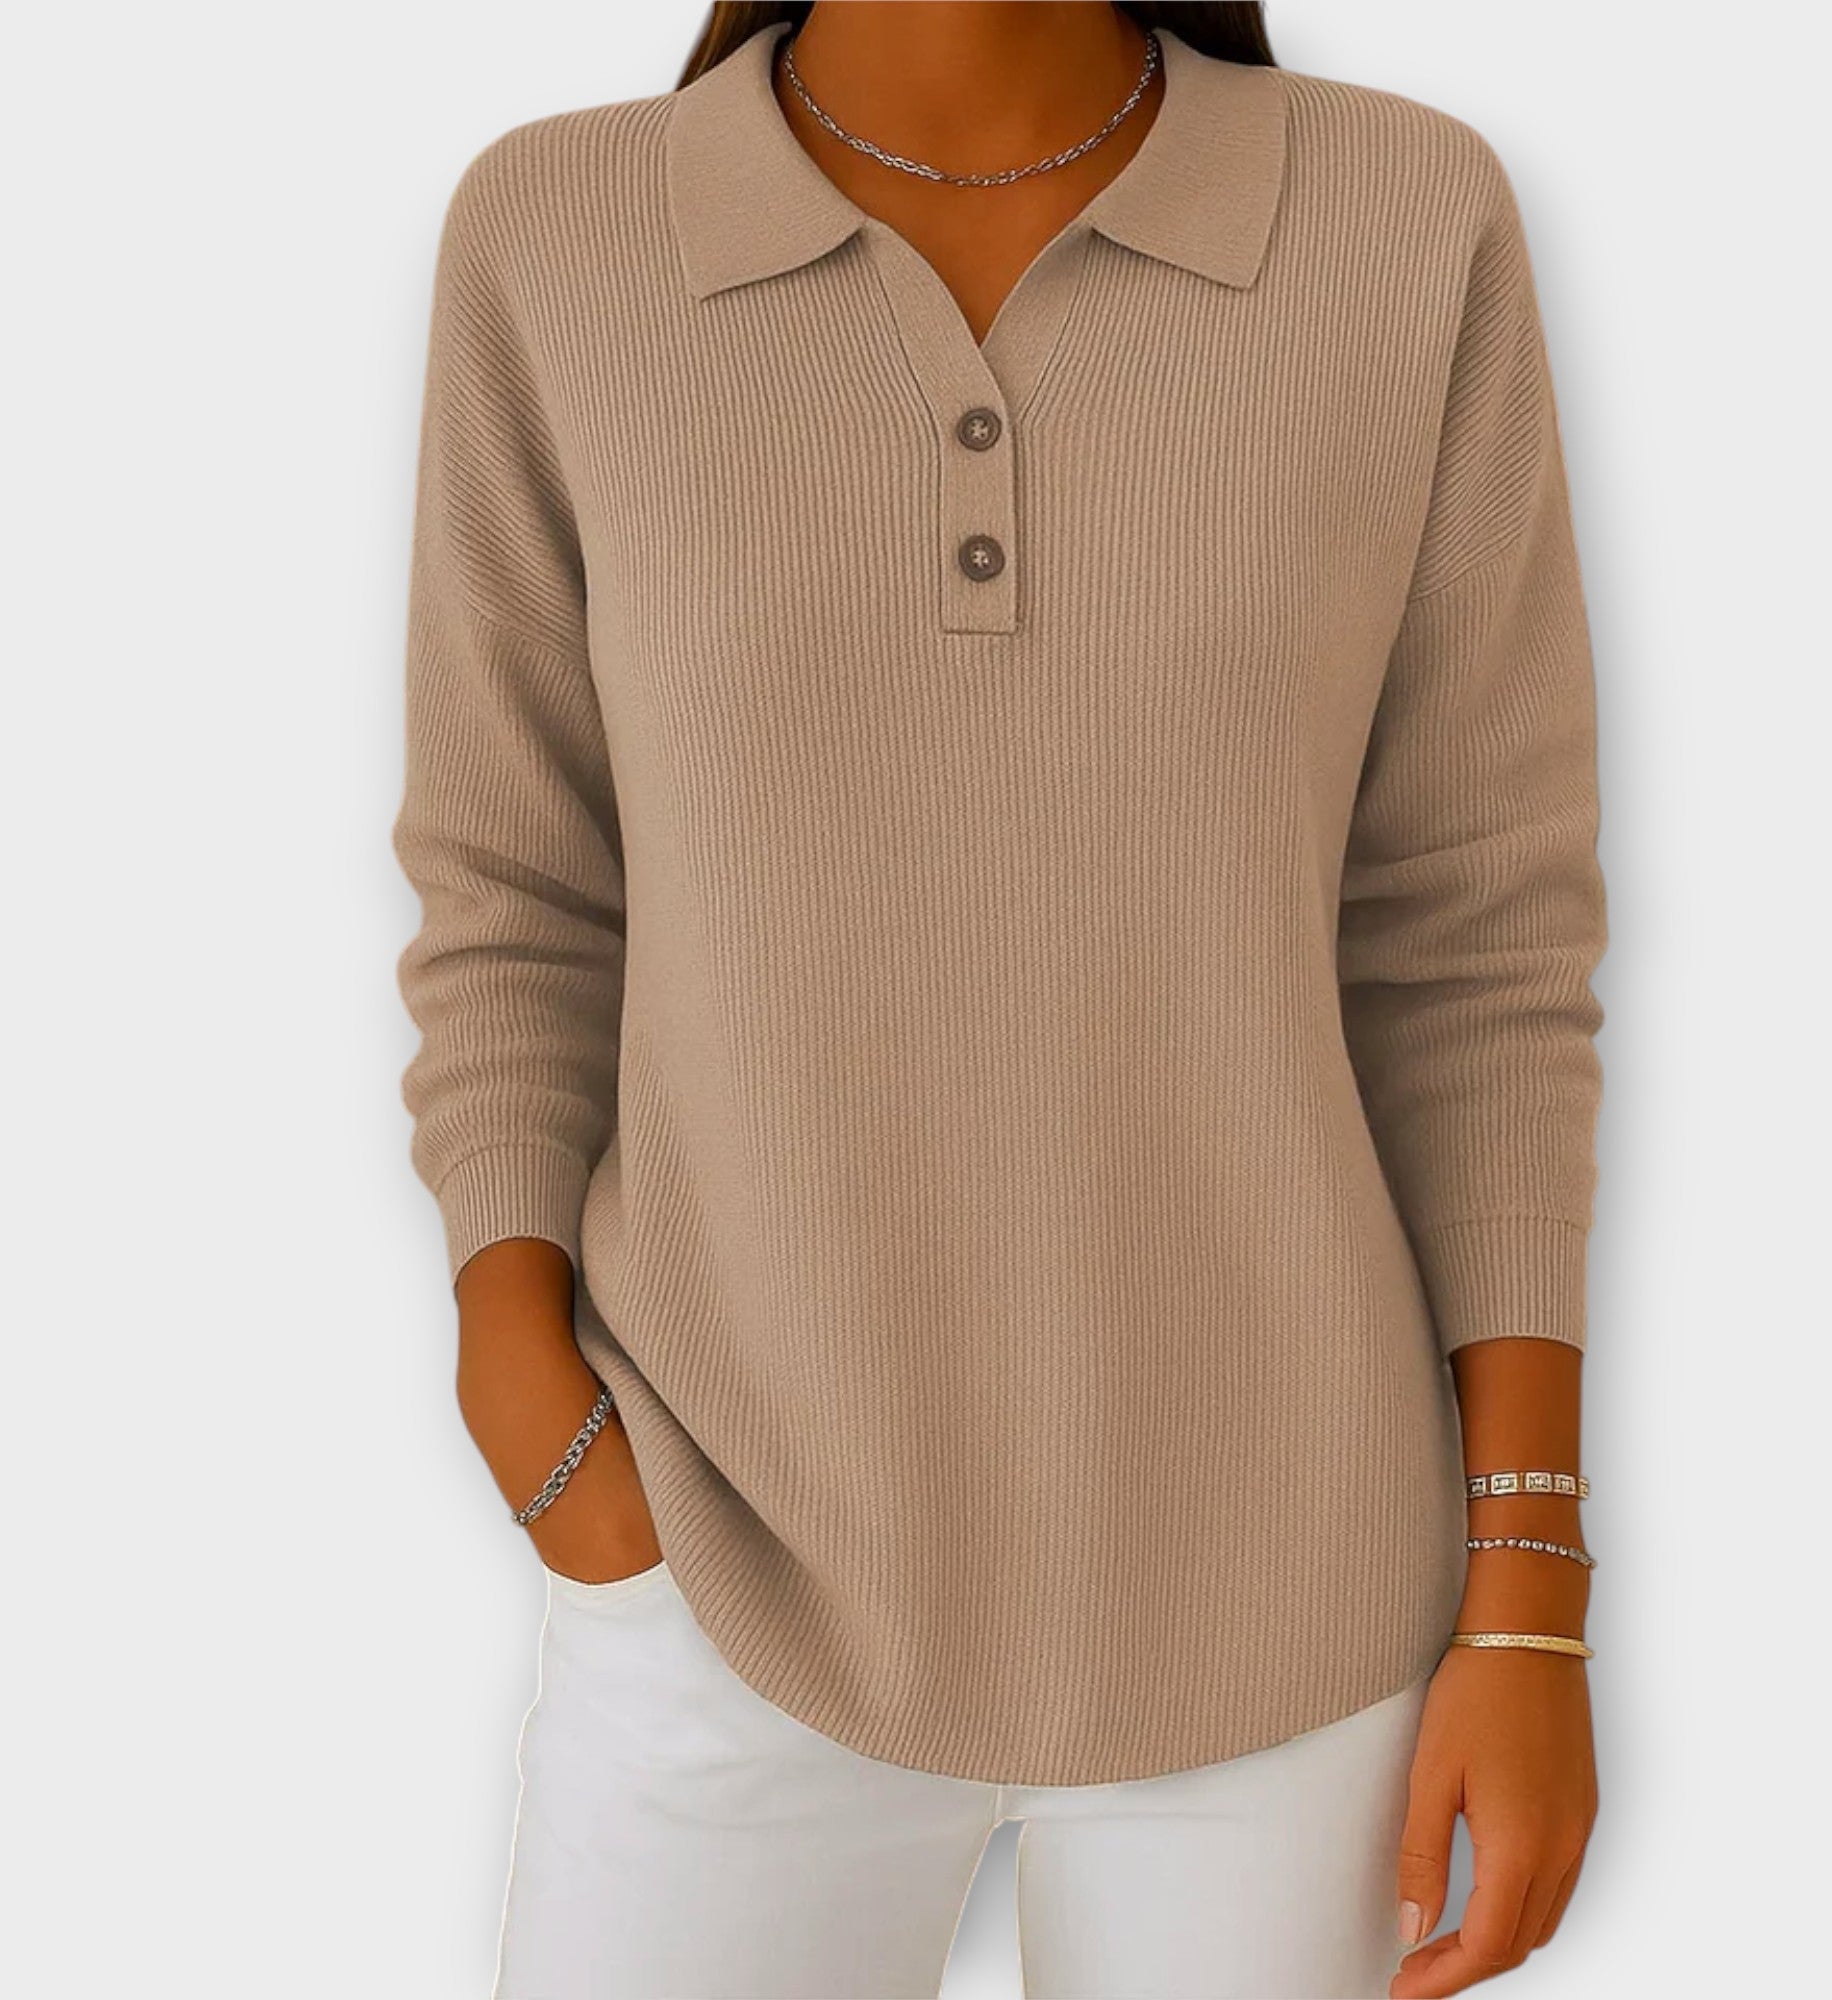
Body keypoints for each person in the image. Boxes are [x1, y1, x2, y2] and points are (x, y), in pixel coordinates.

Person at [388, 3, 1609, 1995]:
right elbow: (517, 889)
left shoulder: (1401, 217)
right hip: (717, 1549)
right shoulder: (563, 234)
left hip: (1295, 1609)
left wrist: (1529, 1581)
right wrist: (524, 1389)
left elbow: (1472, 946)